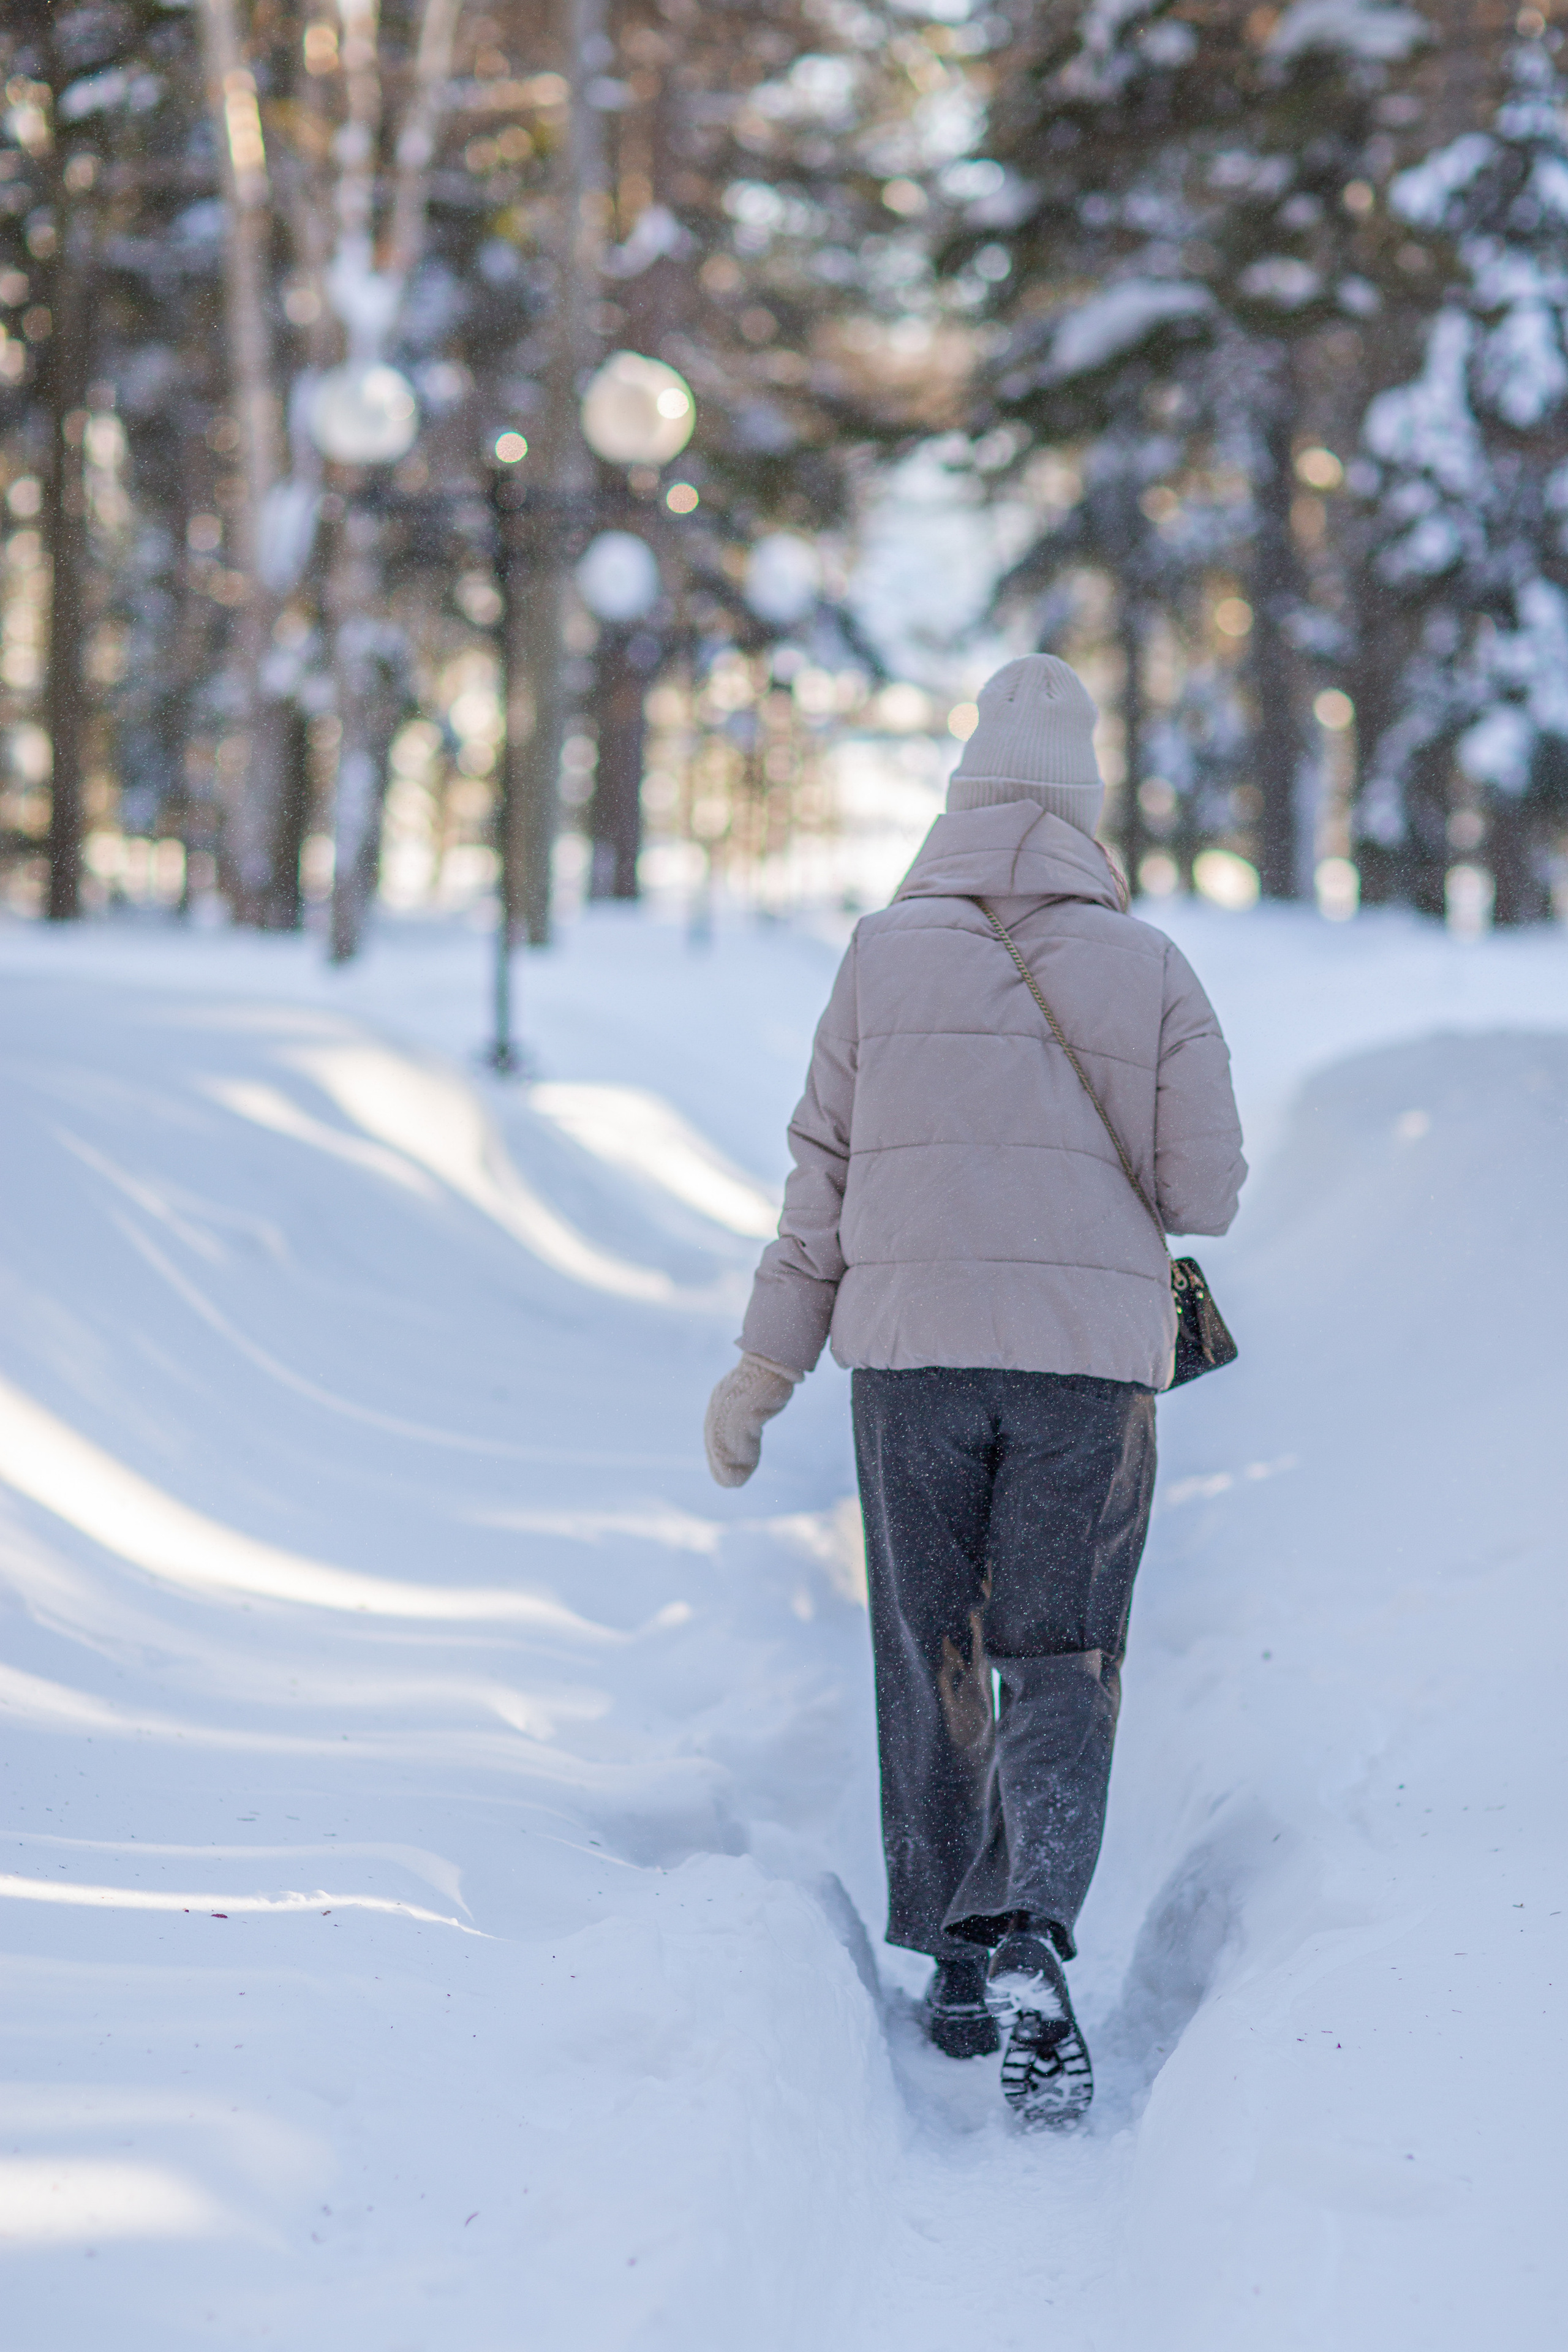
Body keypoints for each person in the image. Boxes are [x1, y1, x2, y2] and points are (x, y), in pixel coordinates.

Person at [703, 654, 1245, 2128]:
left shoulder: (879, 956)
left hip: (908, 1358)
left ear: (957, 801)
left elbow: (818, 1179)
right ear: (1084, 810)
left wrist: (764, 1364)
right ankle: (1032, 1932)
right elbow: (1205, 1190)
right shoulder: (1150, 970)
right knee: (1059, 1652)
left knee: (926, 1643)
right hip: (1084, 1370)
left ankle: (949, 1949)